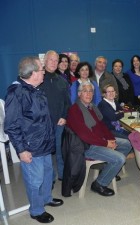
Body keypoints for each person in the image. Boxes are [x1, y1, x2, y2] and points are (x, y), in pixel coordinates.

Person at [4, 56, 64, 223]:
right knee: (34, 181)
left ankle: (46, 199)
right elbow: (11, 126)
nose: (44, 72)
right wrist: (21, 150)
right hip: (31, 147)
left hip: (43, 144)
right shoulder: (16, 92)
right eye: (42, 69)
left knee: (47, 175)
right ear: (33, 73)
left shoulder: (35, 89)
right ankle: (36, 210)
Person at [67, 81, 131, 196]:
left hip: (98, 141)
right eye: (85, 91)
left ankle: (107, 169)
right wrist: (106, 143)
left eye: (91, 91)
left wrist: (111, 139)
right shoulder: (75, 110)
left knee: (126, 144)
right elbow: (85, 136)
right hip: (87, 147)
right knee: (120, 158)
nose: (88, 94)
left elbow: (102, 126)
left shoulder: (91, 107)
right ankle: (99, 184)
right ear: (79, 94)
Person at [40, 50, 71, 181]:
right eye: (50, 60)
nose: (53, 63)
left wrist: (64, 117)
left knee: (60, 151)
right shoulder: (38, 79)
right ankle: (49, 178)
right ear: (45, 61)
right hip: (43, 124)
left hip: (59, 123)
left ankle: (62, 175)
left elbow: (67, 103)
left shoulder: (62, 81)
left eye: (55, 60)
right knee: (45, 154)